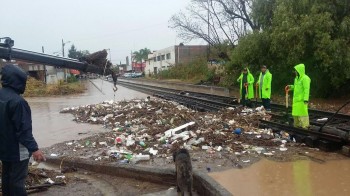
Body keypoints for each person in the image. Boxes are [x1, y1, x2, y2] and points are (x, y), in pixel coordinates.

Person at [0, 64, 45, 195]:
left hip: (3, 148)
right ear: (18, 81)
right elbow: (23, 130)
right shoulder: (18, 102)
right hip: (17, 150)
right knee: (17, 182)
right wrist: (35, 149)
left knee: (7, 177)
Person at [285, 63, 311, 129]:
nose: (295, 72)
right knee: (296, 115)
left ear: (299, 70)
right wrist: (290, 87)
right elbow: (296, 87)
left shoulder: (305, 78)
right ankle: (297, 127)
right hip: (296, 101)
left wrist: (306, 99)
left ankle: (305, 127)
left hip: (302, 101)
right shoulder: (296, 79)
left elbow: (306, 89)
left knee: (303, 115)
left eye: (296, 70)